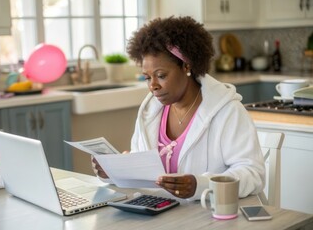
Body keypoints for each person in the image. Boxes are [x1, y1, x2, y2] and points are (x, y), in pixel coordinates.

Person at [92, 16, 265, 200]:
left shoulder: (228, 111)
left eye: (161, 75)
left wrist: (200, 186)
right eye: (147, 78)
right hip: (160, 216)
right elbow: (143, 169)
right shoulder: (149, 111)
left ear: (186, 66)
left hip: (210, 217)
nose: (153, 86)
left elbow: (253, 174)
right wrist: (115, 170)